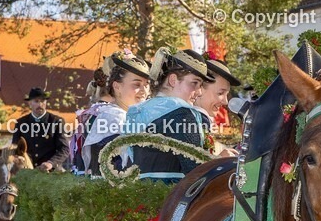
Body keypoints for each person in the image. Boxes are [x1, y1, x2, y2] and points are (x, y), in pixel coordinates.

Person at [123, 48, 213, 182]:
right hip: (169, 197)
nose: (199, 92)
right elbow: (195, 170)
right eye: (194, 83)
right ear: (172, 80)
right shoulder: (182, 114)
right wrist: (220, 161)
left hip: (139, 196)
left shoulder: (140, 110)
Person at [84, 52, 150, 177]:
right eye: (137, 84)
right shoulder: (113, 118)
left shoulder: (128, 117)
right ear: (117, 87)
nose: (144, 91)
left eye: (147, 85)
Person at [11, 87, 69, 170]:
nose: (40, 104)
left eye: (42, 101)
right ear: (30, 103)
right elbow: (15, 148)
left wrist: (51, 163)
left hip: (50, 169)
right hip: (26, 169)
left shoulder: (56, 121)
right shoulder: (20, 123)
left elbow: (64, 148)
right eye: (36, 101)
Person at [195, 54, 241, 158]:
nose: (225, 102)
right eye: (220, 93)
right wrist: (218, 160)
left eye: (226, 94)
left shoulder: (200, 120)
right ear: (200, 88)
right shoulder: (187, 120)